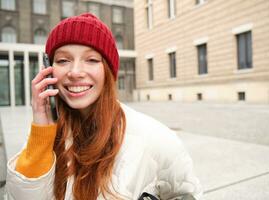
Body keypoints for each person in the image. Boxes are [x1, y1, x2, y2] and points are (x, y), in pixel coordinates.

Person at [6, 13, 202, 200]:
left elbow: (187, 193)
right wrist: (41, 129)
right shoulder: (44, 135)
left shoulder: (156, 139)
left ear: (108, 71)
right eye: (63, 60)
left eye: (91, 60)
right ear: (49, 71)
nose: (75, 72)